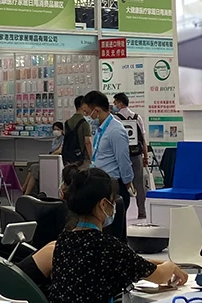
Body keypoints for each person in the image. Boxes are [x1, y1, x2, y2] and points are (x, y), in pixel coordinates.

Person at [41, 167, 186, 303]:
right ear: (103, 204)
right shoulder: (108, 246)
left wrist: (158, 263)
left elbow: (133, 261)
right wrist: (170, 266)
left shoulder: (64, 240)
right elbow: (160, 276)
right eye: (112, 200)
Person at [83, 91, 132, 240]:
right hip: (101, 185)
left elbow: (123, 160)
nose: (86, 116)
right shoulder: (101, 129)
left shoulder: (115, 131)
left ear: (96, 111)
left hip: (114, 185)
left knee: (115, 233)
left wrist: (127, 183)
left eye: (87, 112)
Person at [112, 93, 150, 221]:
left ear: (120, 103)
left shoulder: (115, 118)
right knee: (139, 184)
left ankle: (121, 212)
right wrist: (145, 156)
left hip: (121, 155)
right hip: (136, 154)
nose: (114, 105)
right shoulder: (137, 117)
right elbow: (143, 139)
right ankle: (142, 211)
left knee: (121, 184)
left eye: (115, 103)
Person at [60, 96, 93, 169]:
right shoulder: (85, 123)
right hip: (82, 158)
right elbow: (87, 142)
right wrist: (91, 157)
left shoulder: (67, 122)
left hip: (69, 158)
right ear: (83, 105)